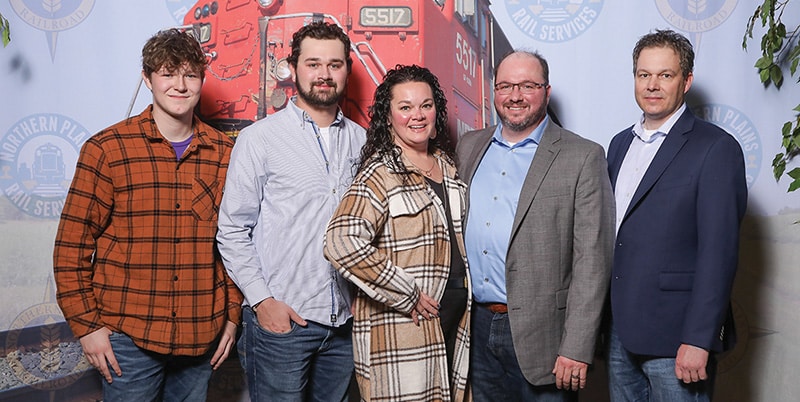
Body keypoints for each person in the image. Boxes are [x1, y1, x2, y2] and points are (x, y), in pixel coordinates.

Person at [53, 29, 242, 401]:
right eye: (168, 73)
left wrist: (232, 314)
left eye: (190, 74)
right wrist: (87, 327)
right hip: (128, 337)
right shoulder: (107, 149)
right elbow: (71, 247)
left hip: (200, 335)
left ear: (202, 80)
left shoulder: (227, 153)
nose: (180, 85)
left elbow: (236, 243)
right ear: (147, 79)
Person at [216, 21, 366, 401]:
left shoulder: (362, 142)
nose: (324, 75)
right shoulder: (259, 139)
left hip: (344, 326)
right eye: (313, 64)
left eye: (334, 65)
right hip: (282, 325)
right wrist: (263, 302)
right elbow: (232, 230)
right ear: (294, 68)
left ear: (347, 69)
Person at [456, 50, 614, 401]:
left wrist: (577, 346)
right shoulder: (469, 147)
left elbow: (593, 261)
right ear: (493, 91)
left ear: (546, 90)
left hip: (546, 335)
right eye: (506, 86)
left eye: (527, 85)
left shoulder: (582, 156)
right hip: (476, 327)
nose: (515, 96)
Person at [606, 29, 747, 402]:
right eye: (643, 74)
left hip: (677, 338)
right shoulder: (619, 144)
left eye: (665, 75)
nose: (652, 85)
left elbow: (719, 254)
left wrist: (699, 338)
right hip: (620, 333)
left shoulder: (716, 148)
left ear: (686, 81)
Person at [324, 65, 470, 401]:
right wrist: (407, 292)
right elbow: (340, 241)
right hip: (402, 333)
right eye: (405, 107)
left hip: (454, 331)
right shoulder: (380, 173)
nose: (417, 116)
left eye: (426, 105)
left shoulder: (447, 168)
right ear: (388, 118)